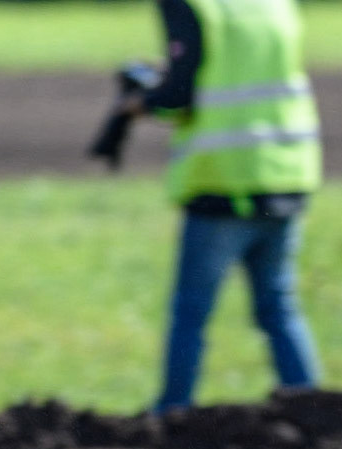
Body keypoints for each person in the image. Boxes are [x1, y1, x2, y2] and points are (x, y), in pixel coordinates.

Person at [119, 0, 324, 413]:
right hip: (284, 174)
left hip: (225, 180)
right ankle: (313, 413)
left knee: (191, 313)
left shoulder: (193, 5)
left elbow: (178, 98)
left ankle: (173, 414)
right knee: (279, 308)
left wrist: (140, 102)